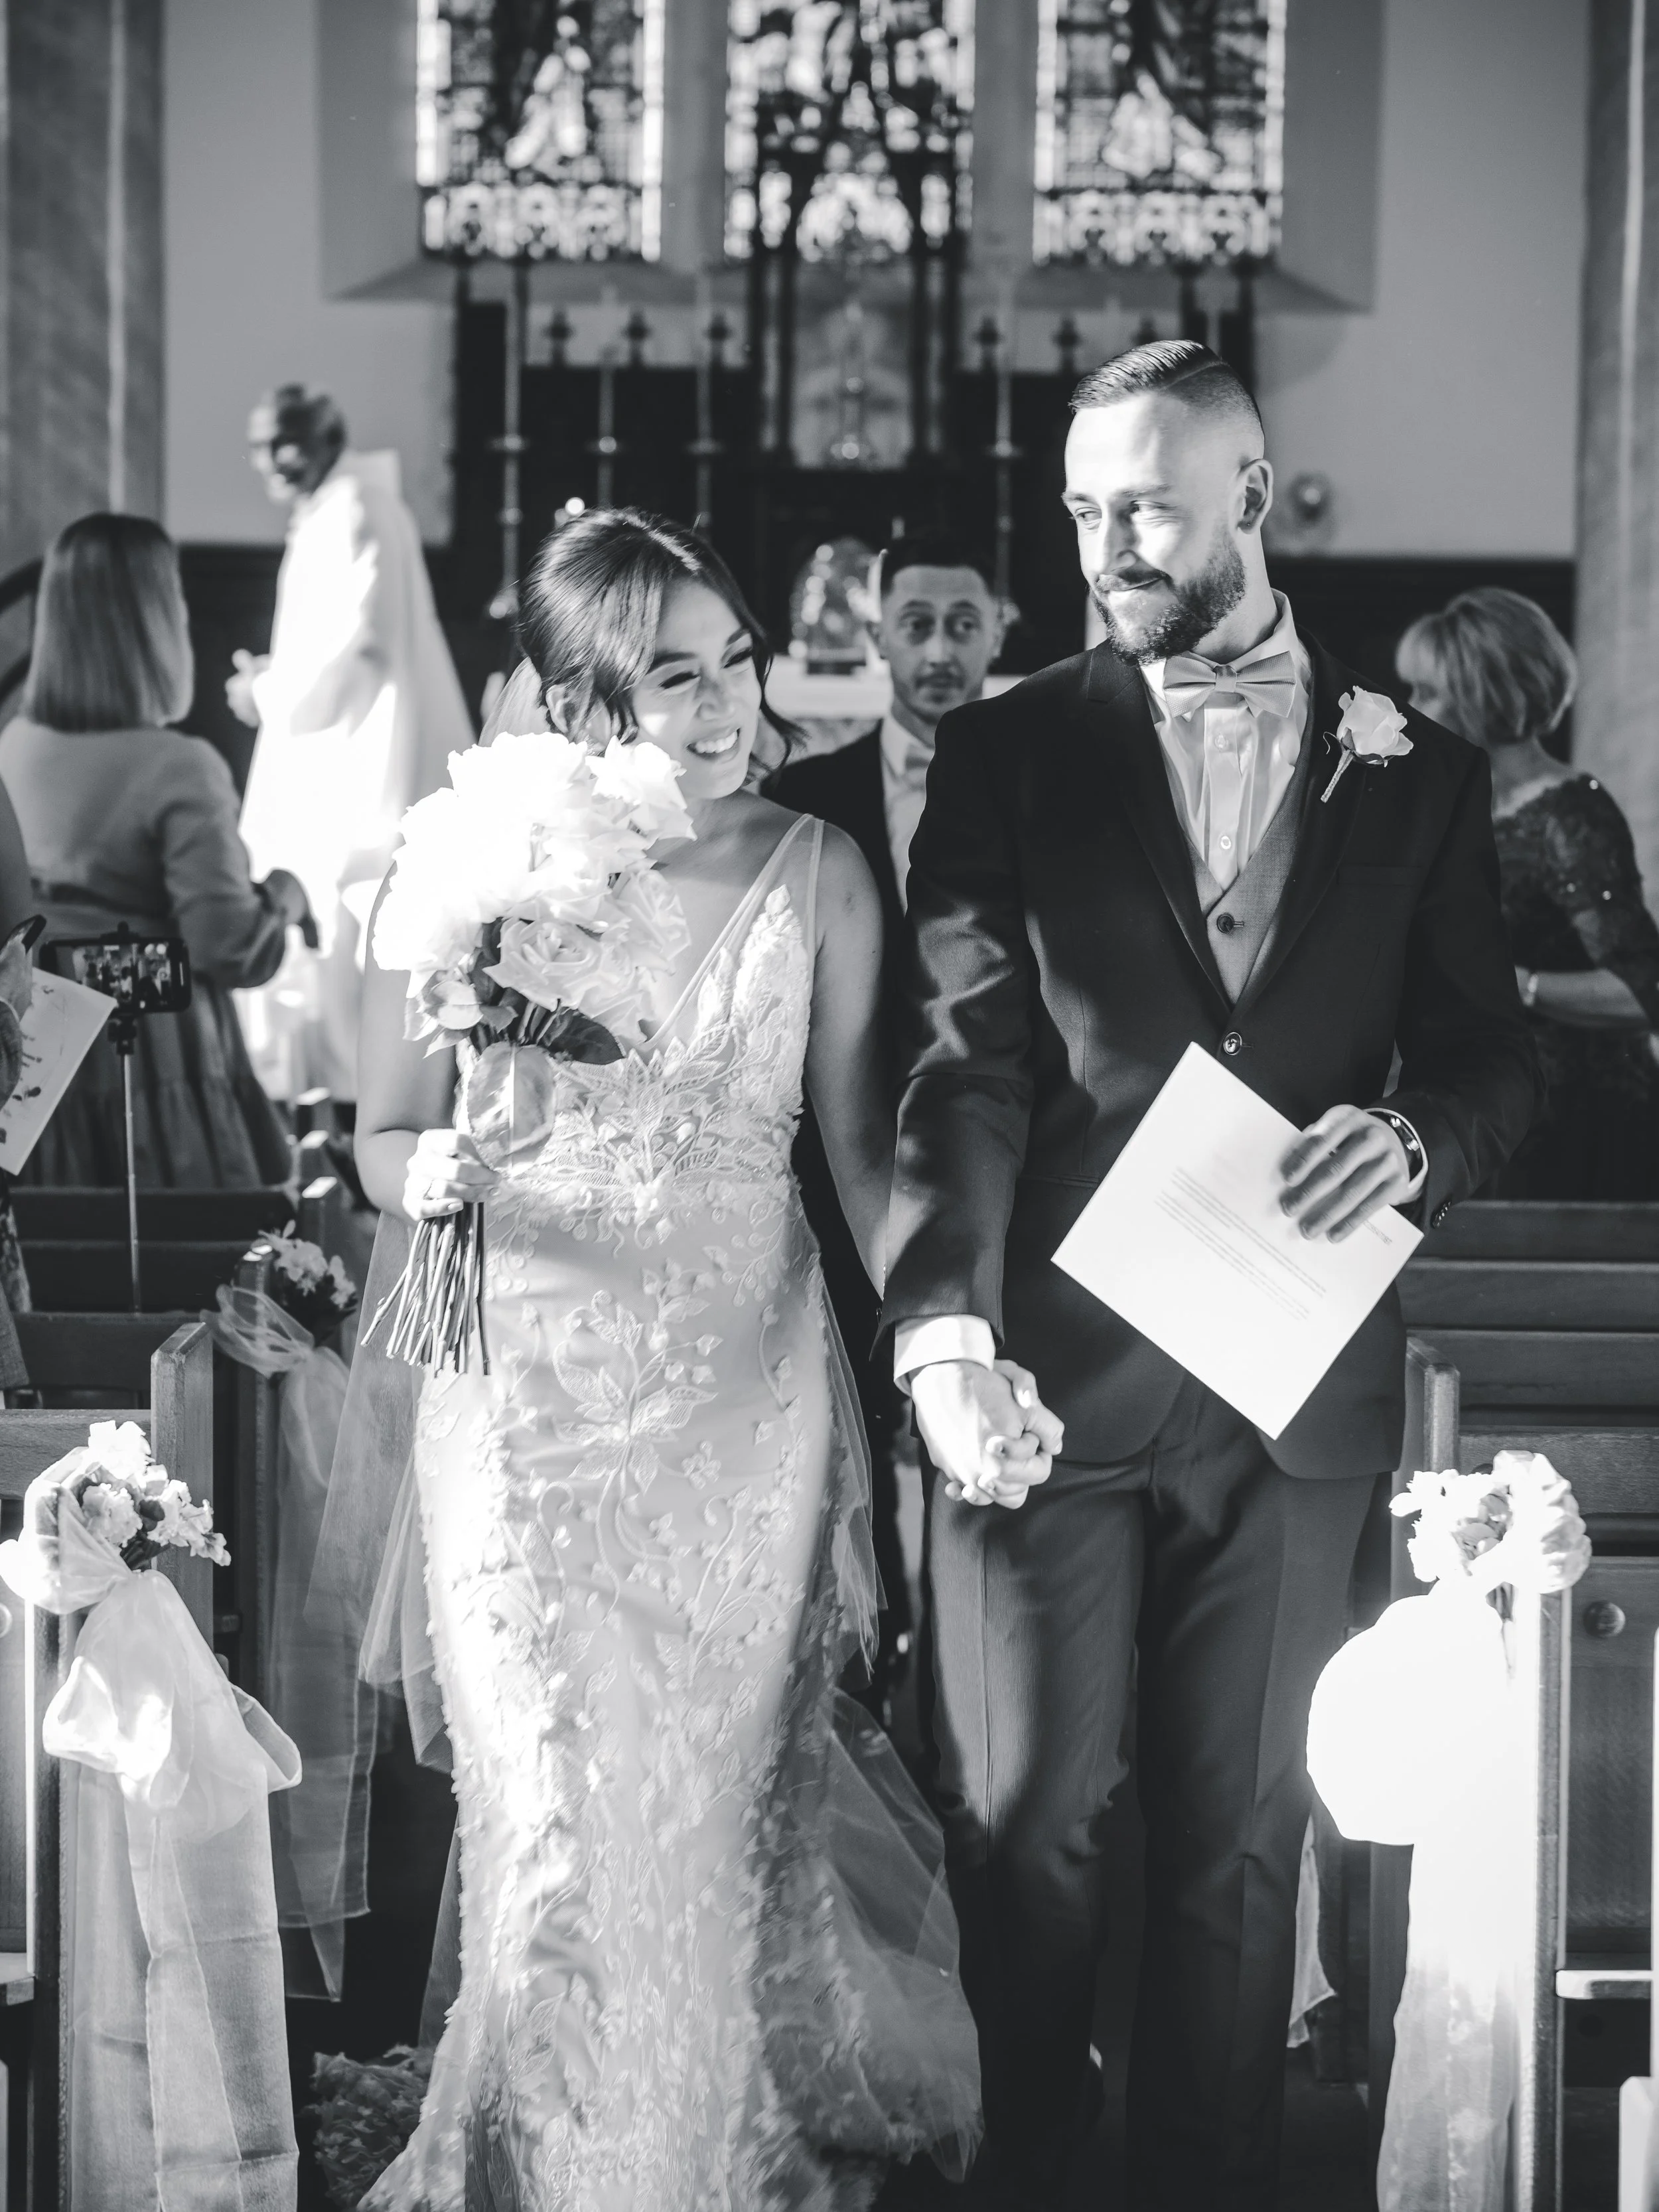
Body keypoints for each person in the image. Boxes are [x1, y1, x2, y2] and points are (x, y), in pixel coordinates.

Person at [883, 342, 1541, 2210]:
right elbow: (963, 1060)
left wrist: (1414, 1140)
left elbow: (1494, 1057)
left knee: (1237, 1845)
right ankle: (1020, 2165)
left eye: (1146, 504)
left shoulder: (1415, 772)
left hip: (1291, 1380)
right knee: (1029, 1827)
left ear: (1251, 492)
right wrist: (945, 1325)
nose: (1106, 543)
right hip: (1049, 1380)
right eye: (1084, 507)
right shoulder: (1010, 749)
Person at [350, 509, 980, 2206]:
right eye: (670, 682)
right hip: (523, 1397)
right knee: (550, 1817)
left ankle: (699, 2150)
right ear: (574, 711)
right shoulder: (491, 875)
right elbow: (393, 1127)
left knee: (704, 1812)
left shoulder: (822, 869)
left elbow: (858, 1154)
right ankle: (550, 2159)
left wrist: (941, 1336)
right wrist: (419, 1171)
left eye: (736, 666)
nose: (723, 712)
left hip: (734, 1395)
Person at [768, 534, 1010, 1719]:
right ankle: (873, 1658)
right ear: (876, 637)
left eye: (962, 623)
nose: (939, 649)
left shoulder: (1048, 788)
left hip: (995, 1165)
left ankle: (968, 1678)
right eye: (915, 623)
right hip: (836, 1164)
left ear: (999, 629)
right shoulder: (805, 803)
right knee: (851, 1432)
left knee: (972, 1419)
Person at [0, 514, 308, 1187]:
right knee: (174, 1252)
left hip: (38, 1040)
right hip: (146, 1051)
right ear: (159, 620)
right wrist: (284, 897)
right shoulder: (180, 766)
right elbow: (229, 946)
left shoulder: (14, 744)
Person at [228, 383, 474, 1105]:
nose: (272, 459)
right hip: (335, 748)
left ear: (328, 438)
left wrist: (267, 694)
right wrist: (279, 678)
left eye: (287, 440)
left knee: (346, 918)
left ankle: (350, 1107)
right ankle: (325, 1103)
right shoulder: (333, 509)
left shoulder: (356, 508)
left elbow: (361, 650)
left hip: (360, 764)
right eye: (261, 444)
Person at [1398, 587, 1659, 1199]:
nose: (1410, 707)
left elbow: (1643, 989)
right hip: (1480, 1101)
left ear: (1485, 696)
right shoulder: (1451, 807)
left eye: (1428, 692)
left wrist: (1518, 983)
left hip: (1578, 1122)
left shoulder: (1568, 814)